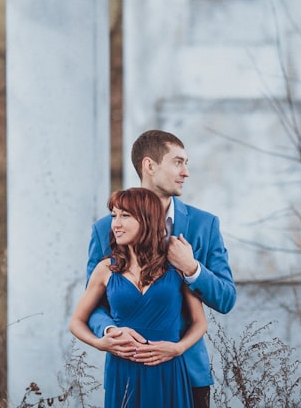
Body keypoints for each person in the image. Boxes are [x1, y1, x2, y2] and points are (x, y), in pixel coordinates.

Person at [86, 130, 236, 408]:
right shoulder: (106, 229)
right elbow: (93, 303)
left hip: (188, 373)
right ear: (150, 166)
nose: (186, 172)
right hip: (128, 371)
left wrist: (192, 268)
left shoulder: (205, 225)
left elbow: (226, 299)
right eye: (178, 162)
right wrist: (109, 331)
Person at [70, 187, 207, 408]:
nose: (116, 223)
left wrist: (178, 348)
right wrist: (101, 343)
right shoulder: (106, 268)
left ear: (147, 219)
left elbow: (200, 323)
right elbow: (76, 321)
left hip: (169, 368)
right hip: (123, 370)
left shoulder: (177, 264)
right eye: (114, 215)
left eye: (125, 216)